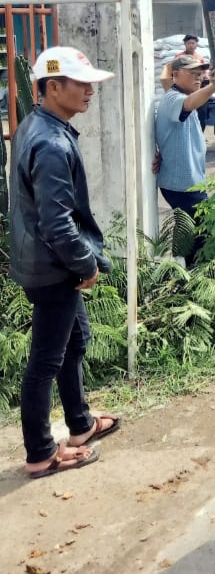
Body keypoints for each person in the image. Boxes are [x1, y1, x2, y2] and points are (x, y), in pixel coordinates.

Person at [8, 47, 121, 479]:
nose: (90, 91)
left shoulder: (37, 126)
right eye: (81, 83)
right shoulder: (52, 143)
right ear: (52, 87)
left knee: (75, 341)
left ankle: (79, 424)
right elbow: (57, 224)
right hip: (53, 268)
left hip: (43, 262)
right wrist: (85, 266)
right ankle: (40, 453)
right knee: (45, 362)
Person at [154, 56, 215, 264]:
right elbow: (189, 104)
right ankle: (187, 277)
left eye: (200, 75)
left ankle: (181, 277)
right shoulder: (173, 98)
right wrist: (214, 87)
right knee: (199, 236)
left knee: (190, 234)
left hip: (188, 182)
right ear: (175, 75)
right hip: (182, 184)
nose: (198, 78)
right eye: (193, 74)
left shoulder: (182, 98)